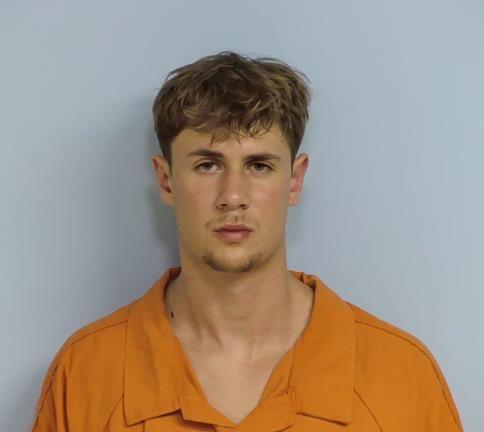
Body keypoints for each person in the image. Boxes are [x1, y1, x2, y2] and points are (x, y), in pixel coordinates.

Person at [30, 51, 463, 431]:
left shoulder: (401, 374)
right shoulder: (86, 373)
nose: (233, 196)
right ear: (166, 181)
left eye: (258, 166)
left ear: (295, 181)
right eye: (207, 165)